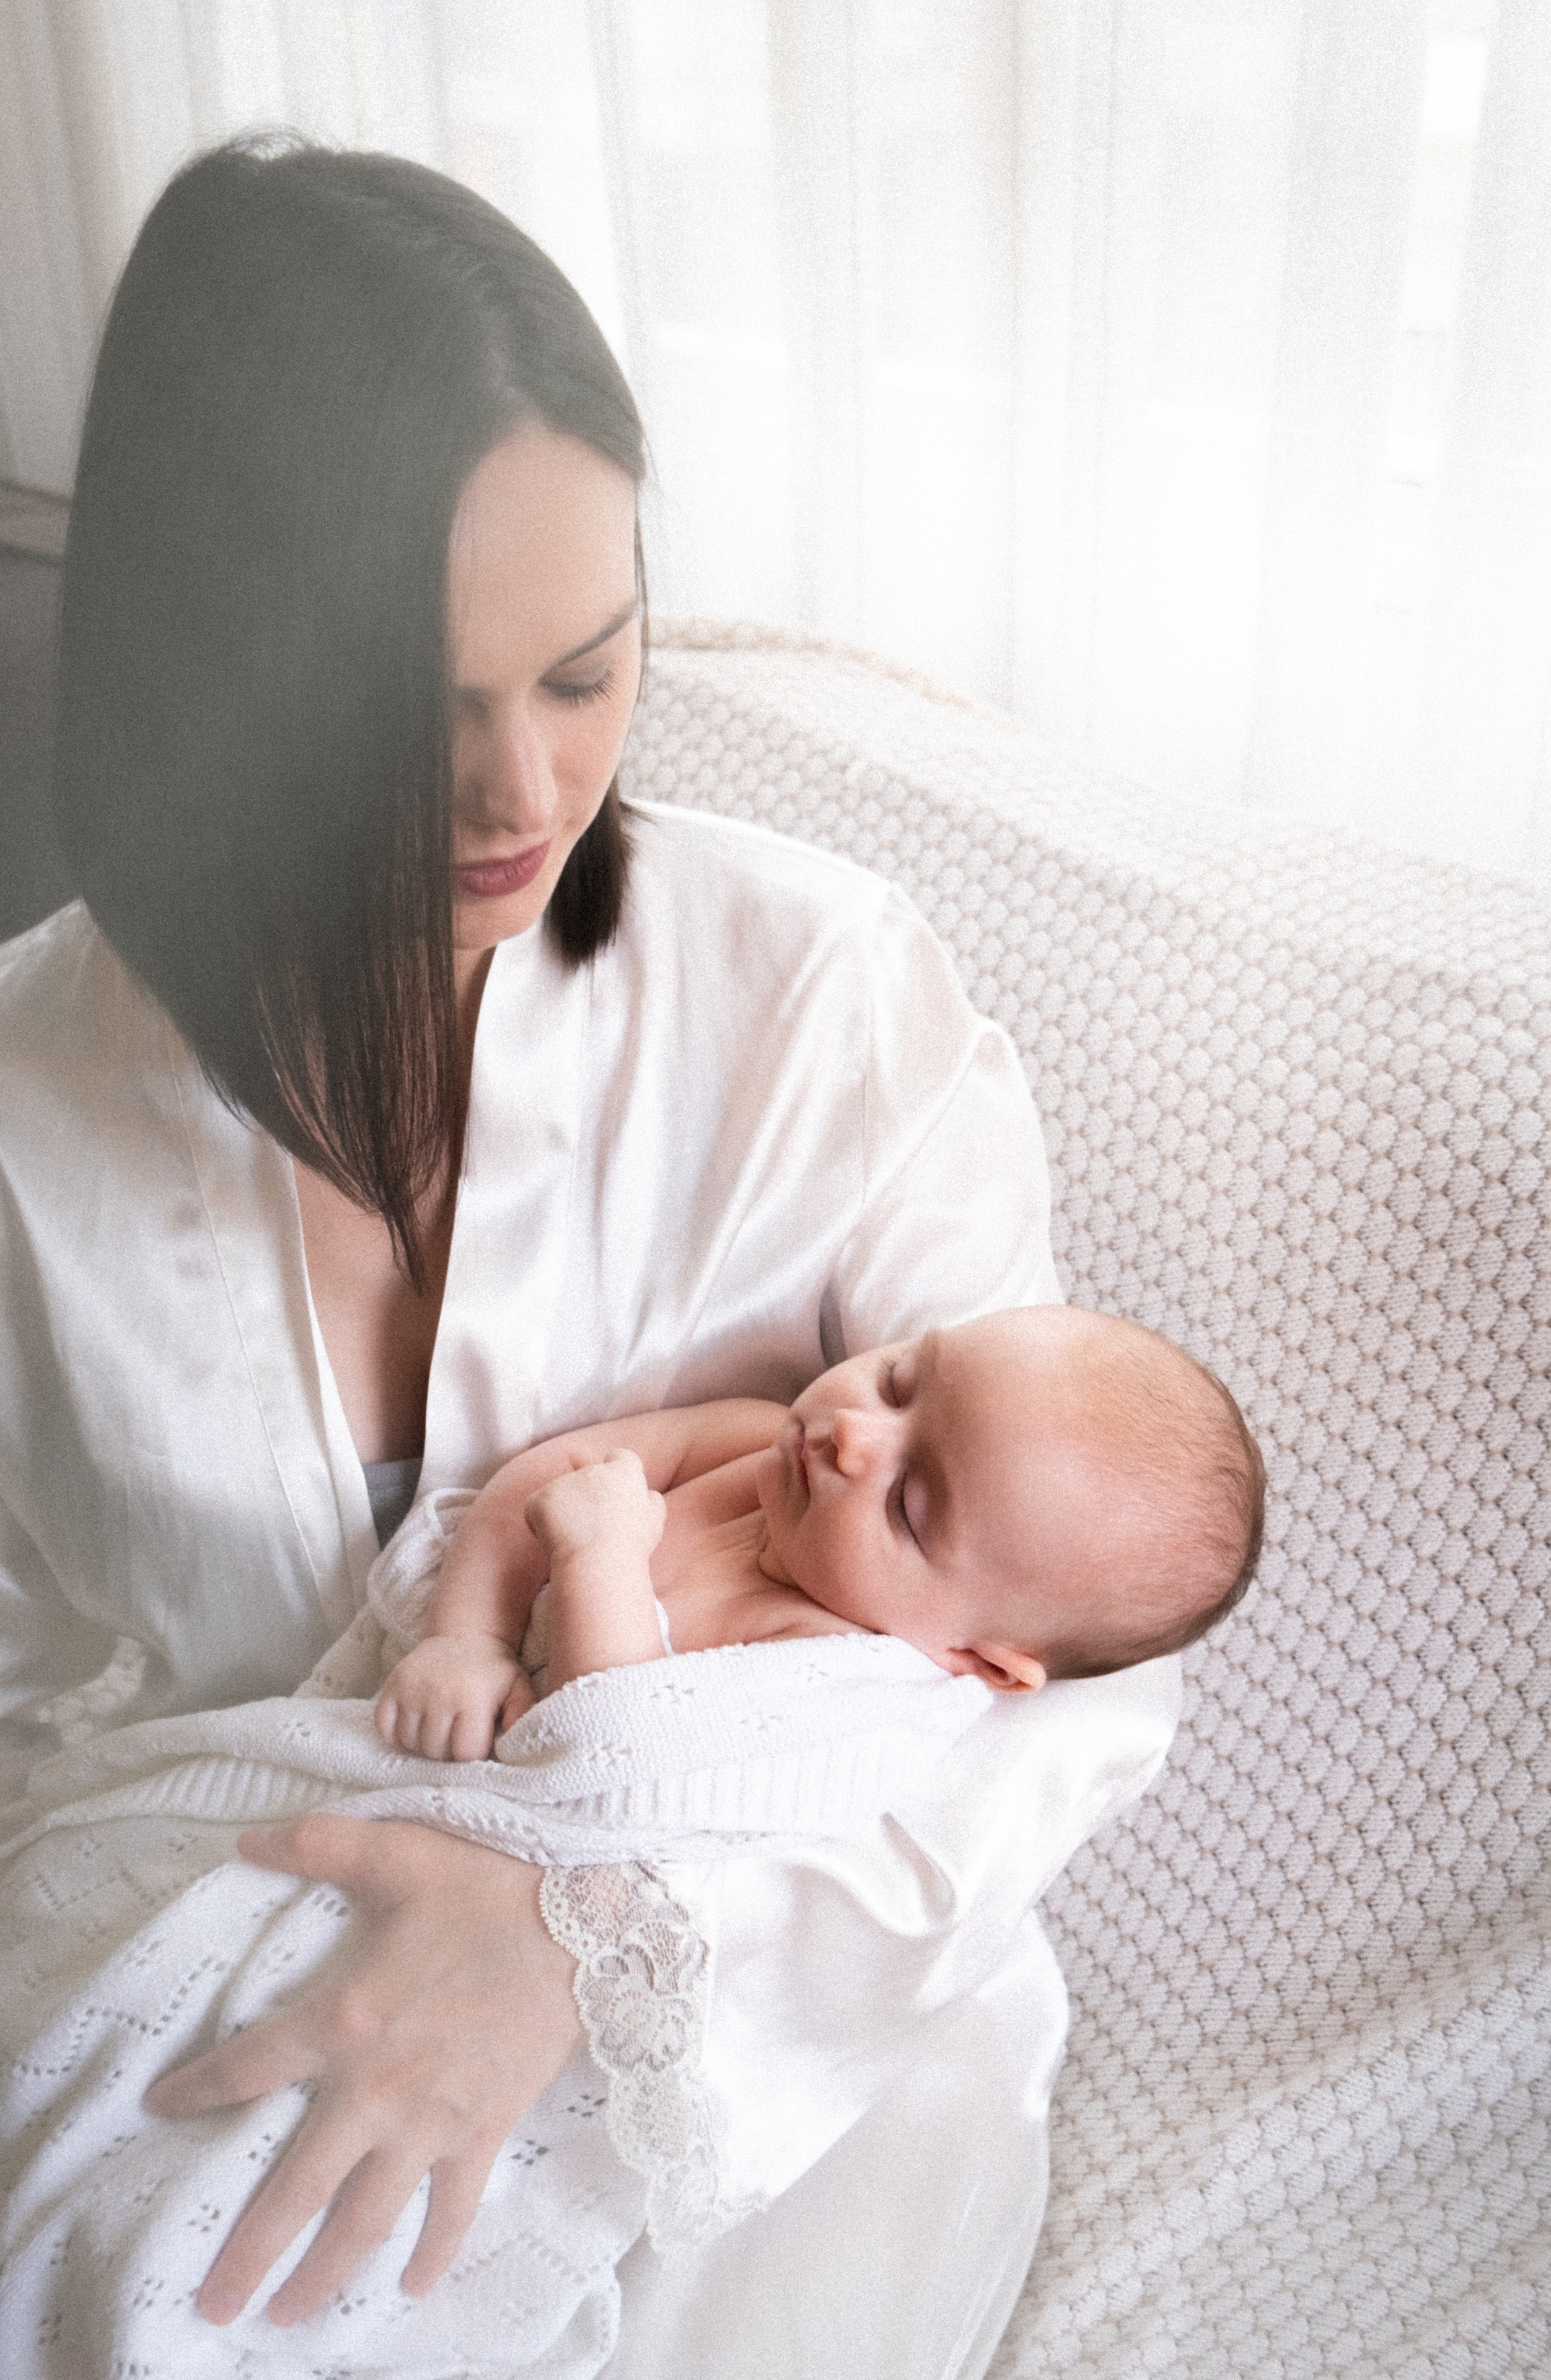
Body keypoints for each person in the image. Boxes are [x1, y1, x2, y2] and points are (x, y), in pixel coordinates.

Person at [0, 134, 1181, 2375]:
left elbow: (1071, 1657)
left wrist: (592, 1942)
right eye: (421, 711)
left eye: (588, 668)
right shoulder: (21, 1106)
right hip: (226, 1933)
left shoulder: (827, 999)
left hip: (773, 2003)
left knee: (874, 2114)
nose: (523, 794)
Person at [376, 1305, 1265, 1757]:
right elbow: (558, 1474)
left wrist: (597, 1558)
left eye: (909, 1504)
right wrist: (467, 1635)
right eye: (900, 1381)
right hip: (430, 1706)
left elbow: (616, 1751)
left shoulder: (826, 1658)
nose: (853, 1435)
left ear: (983, 1660)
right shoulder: (754, 1440)